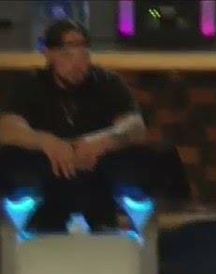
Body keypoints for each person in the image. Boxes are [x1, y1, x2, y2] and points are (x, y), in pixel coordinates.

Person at [0, 19, 184, 232]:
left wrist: (101, 141)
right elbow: (8, 128)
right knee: (15, 163)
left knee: (148, 161)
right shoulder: (30, 85)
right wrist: (46, 142)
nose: (77, 63)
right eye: (67, 54)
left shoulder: (107, 82)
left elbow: (133, 126)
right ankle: (25, 228)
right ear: (48, 54)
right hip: (48, 172)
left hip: (98, 173)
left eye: (84, 53)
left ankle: (147, 231)